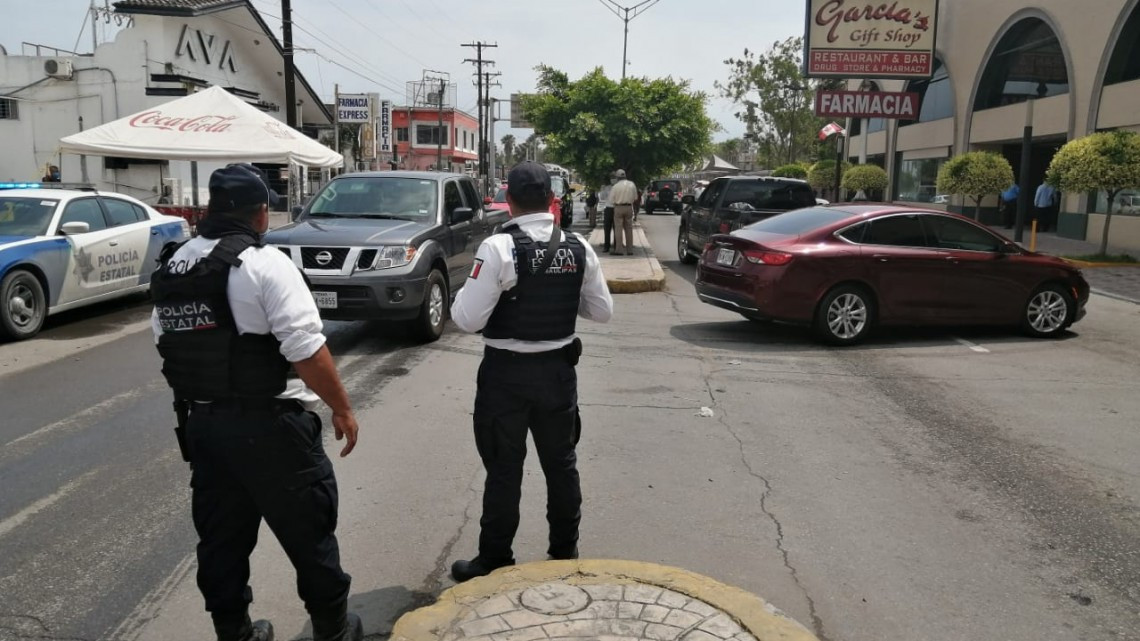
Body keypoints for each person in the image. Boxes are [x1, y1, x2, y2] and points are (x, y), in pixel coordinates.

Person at [150, 164, 363, 641]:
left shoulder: (174, 265)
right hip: (273, 428)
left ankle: (236, 632)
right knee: (310, 534)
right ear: (262, 213)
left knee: (221, 539)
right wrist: (342, 408)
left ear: (209, 208)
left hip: (204, 425)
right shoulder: (265, 264)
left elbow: (165, 343)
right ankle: (332, 631)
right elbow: (306, 349)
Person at [448, 161, 614, 582]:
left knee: (504, 469)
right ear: (552, 200)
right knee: (561, 465)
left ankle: (495, 557)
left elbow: (467, 319)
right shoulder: (579, 247)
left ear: (509, 201)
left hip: (505, 376)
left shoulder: (498, 248)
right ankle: (564, 552)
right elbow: (602, 312)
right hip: (558, 374)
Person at [610, 169, 639, 256]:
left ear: (617, 177)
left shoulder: (615, 186)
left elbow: (611, 200)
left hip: (618, 207)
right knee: (629, 229)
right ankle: (629, 250)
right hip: (629, 207)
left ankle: (619, 250)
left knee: (618, 229)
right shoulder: (632, 184)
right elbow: (635, 198)